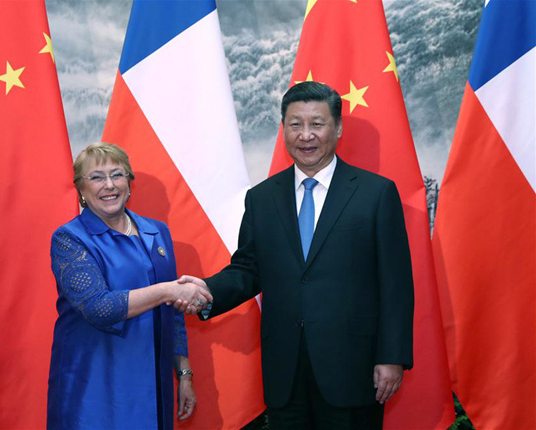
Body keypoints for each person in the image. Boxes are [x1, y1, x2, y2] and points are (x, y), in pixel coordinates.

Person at [182, 82, 414, 429]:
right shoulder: (261, 198)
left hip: (354, 367)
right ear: (284, 129)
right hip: (285, 371)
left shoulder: (375, 193)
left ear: (337, 128)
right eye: (295, 124)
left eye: (317, 124)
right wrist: (206, 290)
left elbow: (396, 284)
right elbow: (248, 269)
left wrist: (392, 357)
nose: (306, 135)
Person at [47, 142, 212, 430]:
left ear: (129, 182)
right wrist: (169, 290)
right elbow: (99, 308)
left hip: (153, 383)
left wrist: (183, 373)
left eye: (117, 175)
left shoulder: (157, 232)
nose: (109, 185)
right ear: (81, 190)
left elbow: (173, 315)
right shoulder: (69, 239)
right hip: (95, 387)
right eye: (96, 177)